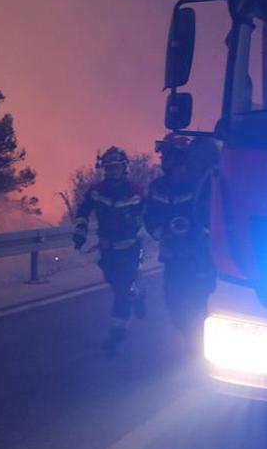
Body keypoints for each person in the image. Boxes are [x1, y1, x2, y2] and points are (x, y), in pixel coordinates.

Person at [145, 135, 218, 350]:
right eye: (163, 155)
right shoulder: (157, 186)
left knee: (200, 298)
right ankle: (189, 338)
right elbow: (149, 215)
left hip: (199, 255)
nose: (164, 159)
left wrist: (199, 233)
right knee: (173, 301)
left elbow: (209, 214)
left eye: (168, 155)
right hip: (172, 255)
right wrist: (159, 231)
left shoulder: (200, 184)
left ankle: (202, 344)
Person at [71, 146, 145, 354]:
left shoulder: (136, 192)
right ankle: (136, 295)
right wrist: (80, 232)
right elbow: (83, 212)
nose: (112, 172)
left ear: (124, 168)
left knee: (121, 289)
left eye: (116, 168)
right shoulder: (96, 191)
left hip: (129, 249)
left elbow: (149, 214)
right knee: (115, 283)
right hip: (108, 251)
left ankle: (117, 332)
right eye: (109, 168)